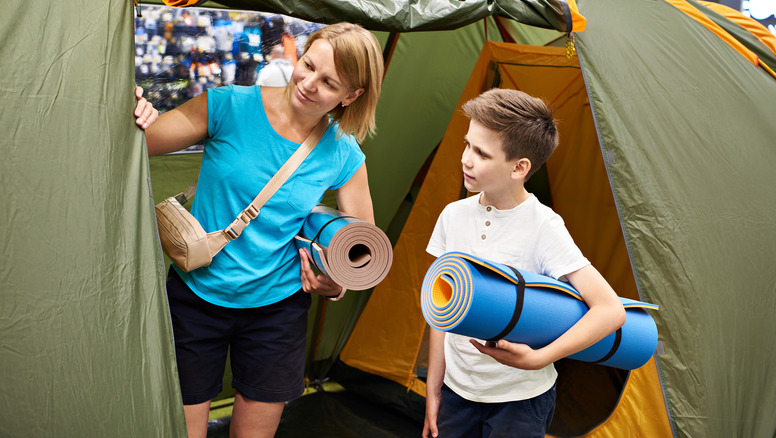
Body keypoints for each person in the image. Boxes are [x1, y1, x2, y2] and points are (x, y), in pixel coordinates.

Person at [134, 22, 384, 438]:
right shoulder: (229, 106)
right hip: (196, 299)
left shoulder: (343, 153)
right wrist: (136, 110)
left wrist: (333, 284)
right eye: (307, 65)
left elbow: (363, 249)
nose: (308, 83)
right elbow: (140, 143)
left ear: (351, 95)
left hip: (276, 312)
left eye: (329, 83)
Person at [422, 89, 627, 438]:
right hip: (457, 393)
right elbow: (441, 308)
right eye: (467, 144)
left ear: (520, 168)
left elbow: (610, 310)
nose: (466, 159)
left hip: (519, 401)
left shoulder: (543, 227)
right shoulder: (452, 216)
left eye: (482, 153)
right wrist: (433, 386)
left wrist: (539, 357)